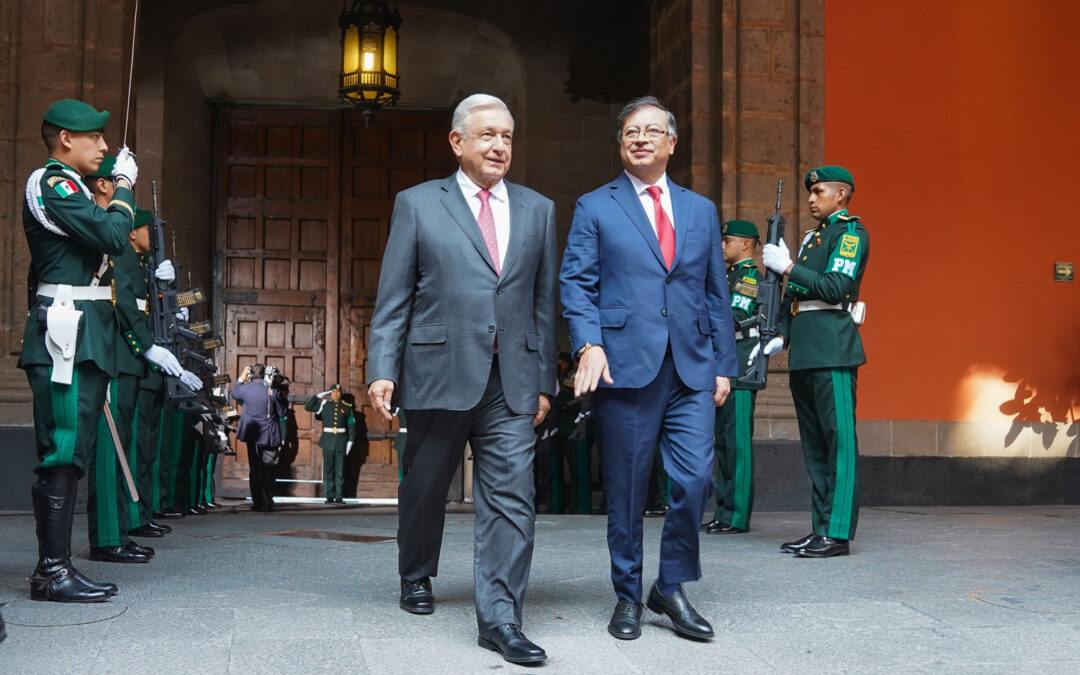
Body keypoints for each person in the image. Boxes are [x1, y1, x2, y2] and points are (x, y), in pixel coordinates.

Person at [366, 93, 557, 664]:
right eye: (488, 135)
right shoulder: (419, 204)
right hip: (436, 369)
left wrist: (545, 379)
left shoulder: (538, 209)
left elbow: (543, 303)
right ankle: (417, 574)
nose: (500, 146)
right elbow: (394, 296)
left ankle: (500, 618)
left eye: (507, 136)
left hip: (513, 378)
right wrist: (382, 369)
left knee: (511, 499)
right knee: (425, 487)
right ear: (458, 142)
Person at [560, 96, 738, 641]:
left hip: (691, 368)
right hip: (626, 368)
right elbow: (576, 283)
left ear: (672, 142)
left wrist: (724, 366)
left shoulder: (700, 210)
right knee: (628, 490)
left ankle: (671, 586)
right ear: (621, 143)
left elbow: (715, 291)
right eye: (631, 131)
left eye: (652, 131)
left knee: (693, 480)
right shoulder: (595, 205)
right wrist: (588, 345)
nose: (641, 138)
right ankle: (628, 594)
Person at [19, 99, 143, 601]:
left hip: (81, 331)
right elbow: (114, 234)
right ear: (67, 138)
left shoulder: (74, 189)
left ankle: (56, 566)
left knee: (74, 451)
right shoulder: (54, 183)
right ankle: (51, 570)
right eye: (96, 138)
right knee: (63, 448)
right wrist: (125, 190)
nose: (106, 147)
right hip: (67, 334)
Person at [760, 165, 869, 558]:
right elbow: (797, 298)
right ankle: (820, 527)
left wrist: (788, 267)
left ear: (841, 195)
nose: (810, 198)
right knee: (815, 445)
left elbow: (835, 287)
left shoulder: (850, 234)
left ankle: (837, 532)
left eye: (819, 191)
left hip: (833, 347)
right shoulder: (813, 239)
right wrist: (780, 335)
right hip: (806, 349)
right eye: (810, 191)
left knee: (838, 441)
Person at [702, 220, 764, 535]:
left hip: (740, 366)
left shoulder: (750, 278)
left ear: (746, 244)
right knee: (724, 445)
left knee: (737, 445)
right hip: (724, 367)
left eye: (727, 240)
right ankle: (724, 511)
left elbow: (735, 316)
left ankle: (736, 515)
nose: (722, 245)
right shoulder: (729, 277)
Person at [232, 363, 288, 512]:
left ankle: (258, 502)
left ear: (251, 375)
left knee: (255, 468)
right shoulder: (272, 390)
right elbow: (282, 413)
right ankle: (268, 499)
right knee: (270, 468)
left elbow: (234, 393)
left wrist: (240, 378)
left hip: (253, 434)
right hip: (269, 434)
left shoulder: (245, 389)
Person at [305, 384, 358, 504]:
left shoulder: (347, 407)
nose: (336, 394)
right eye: (333, 391)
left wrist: (350, 441)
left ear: (341, 393)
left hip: (341, 441)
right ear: (330, 393)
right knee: (328, 470)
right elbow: (308, 407)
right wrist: (318, 396)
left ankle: (339, 495)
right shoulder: (325, 405)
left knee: (340, 469)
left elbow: (351, 425)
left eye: (338, 391)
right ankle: (329, 495)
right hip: (328, 441)